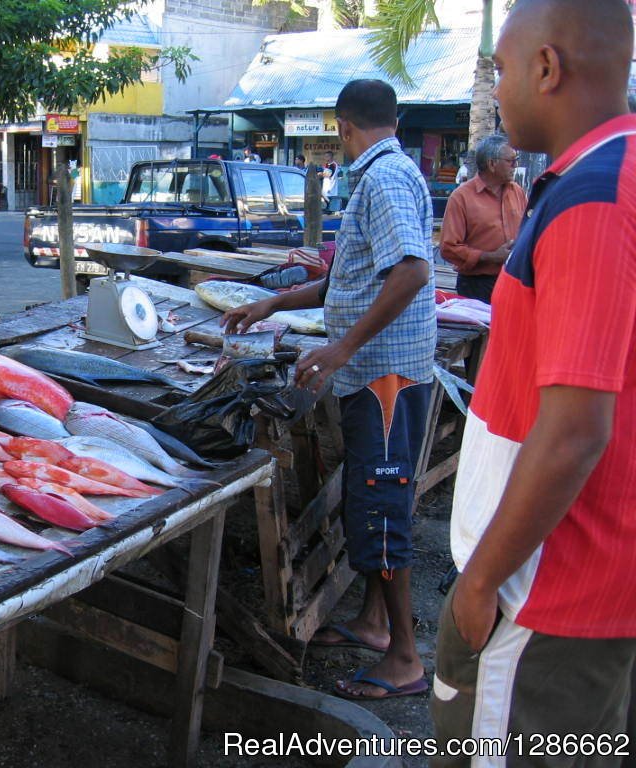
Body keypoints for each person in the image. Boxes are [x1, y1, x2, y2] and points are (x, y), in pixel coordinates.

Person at [431, 0, 636, 760]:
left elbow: (576, 428)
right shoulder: (603, 178)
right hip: (575, 580)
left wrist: (480, 582)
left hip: (542, 592)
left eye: (504, 69)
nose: (500, 86)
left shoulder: (594, 198)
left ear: (548, 69)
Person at [222, 79, 436, 701]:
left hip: (383, 375)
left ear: (342, 127)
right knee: (373, 501)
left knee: (380, 509)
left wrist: (342, 347)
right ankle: (373, 624)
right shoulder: (388, 171)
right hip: (374, 373)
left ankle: (405, 660)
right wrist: (272, 304)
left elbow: (414, 270)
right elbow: (345, 280)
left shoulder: (384, 178)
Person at [439, 134, 526, 303]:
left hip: (514, 279)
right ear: (492, 164)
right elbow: (448, 248)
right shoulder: (461, 197)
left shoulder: (517, 192)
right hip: (477, 285)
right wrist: (489, 256)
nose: (515, 166)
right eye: (511, 161)